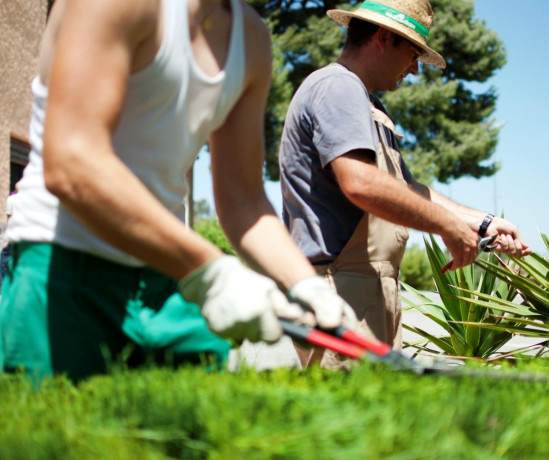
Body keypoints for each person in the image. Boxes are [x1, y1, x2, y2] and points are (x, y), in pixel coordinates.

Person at [0, 0, 357, 383]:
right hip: (60, 276)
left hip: (164, 279)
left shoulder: (250, 38)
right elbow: (72, 162)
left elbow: (244, 200)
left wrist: (303, 283)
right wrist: (212, 271)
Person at [278, 0, 531, 369]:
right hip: (342, 288)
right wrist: (446, 225)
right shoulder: (339, 87)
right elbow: (361, 183)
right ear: (383, 37)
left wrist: (481, 222)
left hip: (368, 288)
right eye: (413, 54)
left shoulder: (369, 104)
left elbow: (404, 187)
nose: (414, 70)